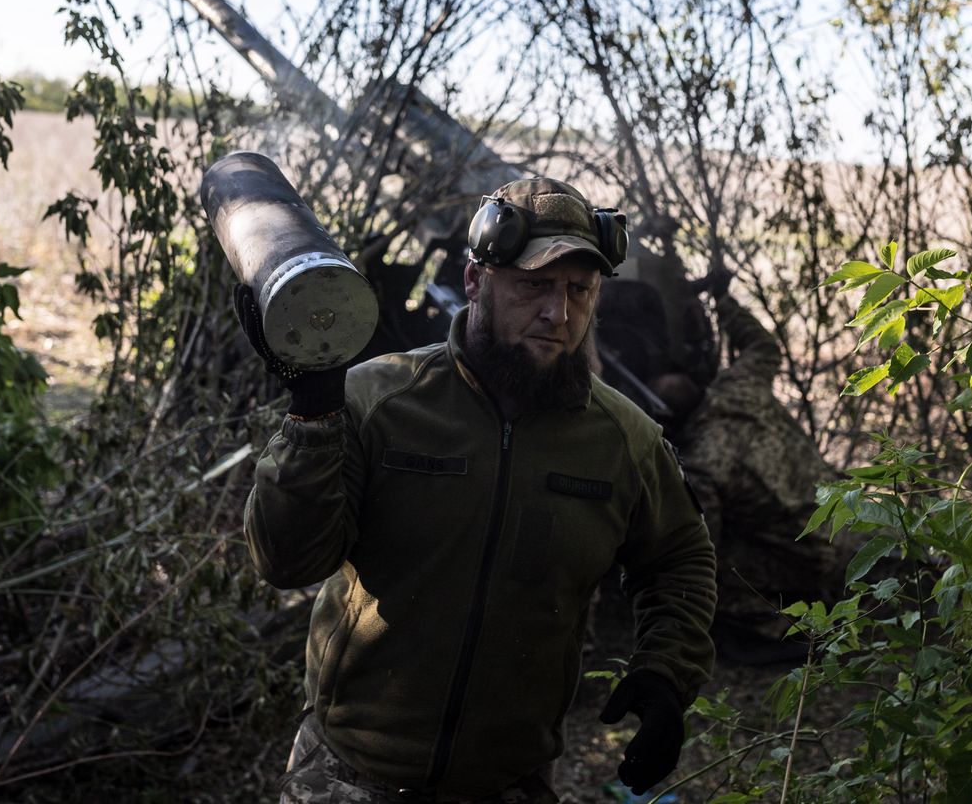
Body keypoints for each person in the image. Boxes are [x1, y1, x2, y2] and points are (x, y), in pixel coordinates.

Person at [241, 177, 717, 803]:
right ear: (476, 281)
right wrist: (311, 420)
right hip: (350, 775)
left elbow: (681, 557)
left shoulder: (624, 440)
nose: (560, 314)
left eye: (580, 290)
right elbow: (285, 560)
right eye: (534, 285)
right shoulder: (378, 400)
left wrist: (665, 675)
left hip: (509, 783)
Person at [652, 268, 840, 667]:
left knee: (716, 568)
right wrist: (725, 302)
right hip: (845, 529)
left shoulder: (703, 462)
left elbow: (703, 551)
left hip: (811, 561)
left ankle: (774, 629)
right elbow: (762, 345)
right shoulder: (741, 385)